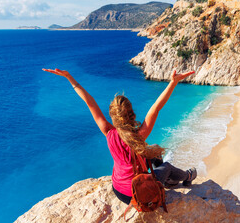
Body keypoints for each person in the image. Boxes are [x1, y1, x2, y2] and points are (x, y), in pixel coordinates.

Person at [42, 68, 198, 205]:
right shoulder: (139, 136)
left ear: (112, 116)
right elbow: (156, 107)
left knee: (154, 155)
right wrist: (173, 82)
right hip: (139, 195)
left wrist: (70, 78)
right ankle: (188, 176)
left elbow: (89, 102)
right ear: (131, 114)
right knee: (167, 166)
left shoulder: (108, 132)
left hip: (118, 191)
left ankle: (167, 180)